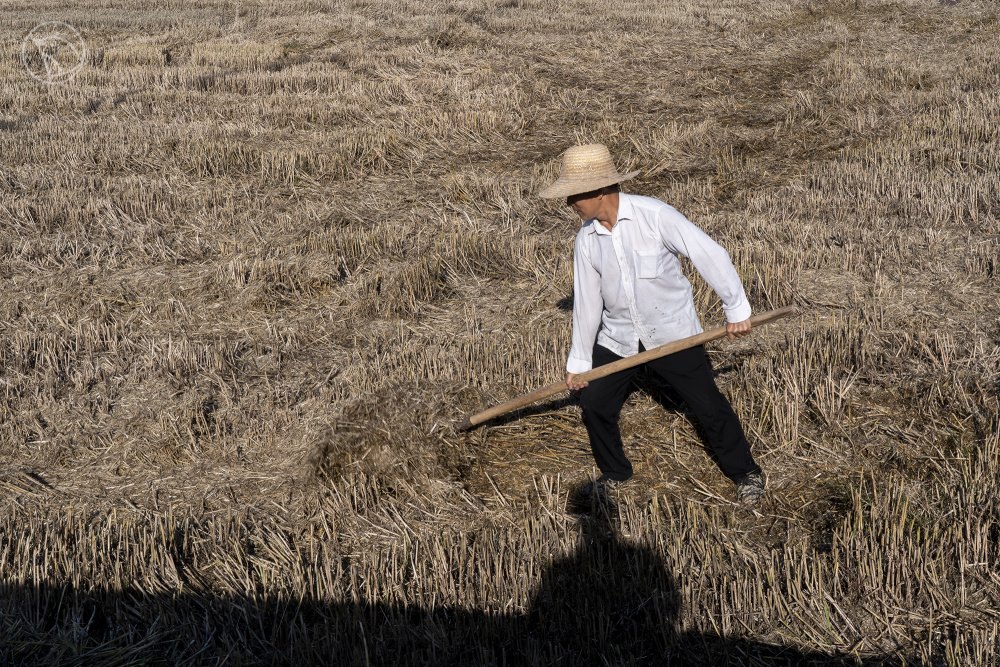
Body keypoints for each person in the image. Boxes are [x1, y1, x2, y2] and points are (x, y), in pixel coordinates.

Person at [538, 143, 765, 503]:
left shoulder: (655, 216)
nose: (569, 204)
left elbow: (709, 254)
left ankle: (745, 472)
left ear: (598, 191)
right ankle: (615, 472)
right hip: (619, 337)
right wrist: (580, 361)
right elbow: (587, 302)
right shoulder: (586, 239)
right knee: (595, 404)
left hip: (672, 334)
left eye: (573, 196)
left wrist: (736, 309)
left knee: (706, 405)